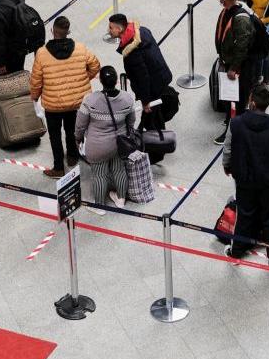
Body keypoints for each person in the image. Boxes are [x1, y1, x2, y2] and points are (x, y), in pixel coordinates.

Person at [222, 85, 269, 265]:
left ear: (252, 102)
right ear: (267, 104)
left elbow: (227, 149)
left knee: (244, 215)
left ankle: (237, 251)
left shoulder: (236, 124)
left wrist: (227, 166)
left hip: (244, 179)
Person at [31, 17, 100, 178]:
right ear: (68, 32)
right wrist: (83, 80)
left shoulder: (42, 53)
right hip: (76, 102)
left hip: (53, 104)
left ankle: (58, 168)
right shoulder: (80, 48)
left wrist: (35, 97)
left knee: (54, 135)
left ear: (52, 31)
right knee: (72, 130)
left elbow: (36, 80)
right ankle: (72, 157)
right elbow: (95, 65)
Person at [76, 66, 137, 211]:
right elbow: (131, 121)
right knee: (119, 170)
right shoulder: (127, 98)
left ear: (101, 81)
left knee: (99, 175)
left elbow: (80, 126)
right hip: (119, 143)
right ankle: (121, 199)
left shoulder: (90, 100)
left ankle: (99, 206)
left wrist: (78, 139)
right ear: (116, 81)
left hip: (98, 146)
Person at [109, 14, 175, 132]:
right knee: (154, 115)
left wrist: (145, 101)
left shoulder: (132, 52)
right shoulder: (142, 31)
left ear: (119, 29)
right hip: (161, 76)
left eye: (111, 28)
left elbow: (142, 77)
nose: (109, 30)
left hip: (152, 87)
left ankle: (158, 145)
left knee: (152, 119)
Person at [214, 0, 257, 143]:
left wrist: (233, 67)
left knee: (236, 102)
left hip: (239, 68)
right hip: (229, 63)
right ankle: (230, 121)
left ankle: (231, 133)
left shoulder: (241, 18)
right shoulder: (227, 11)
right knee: (229, 99)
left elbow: (242, 45)